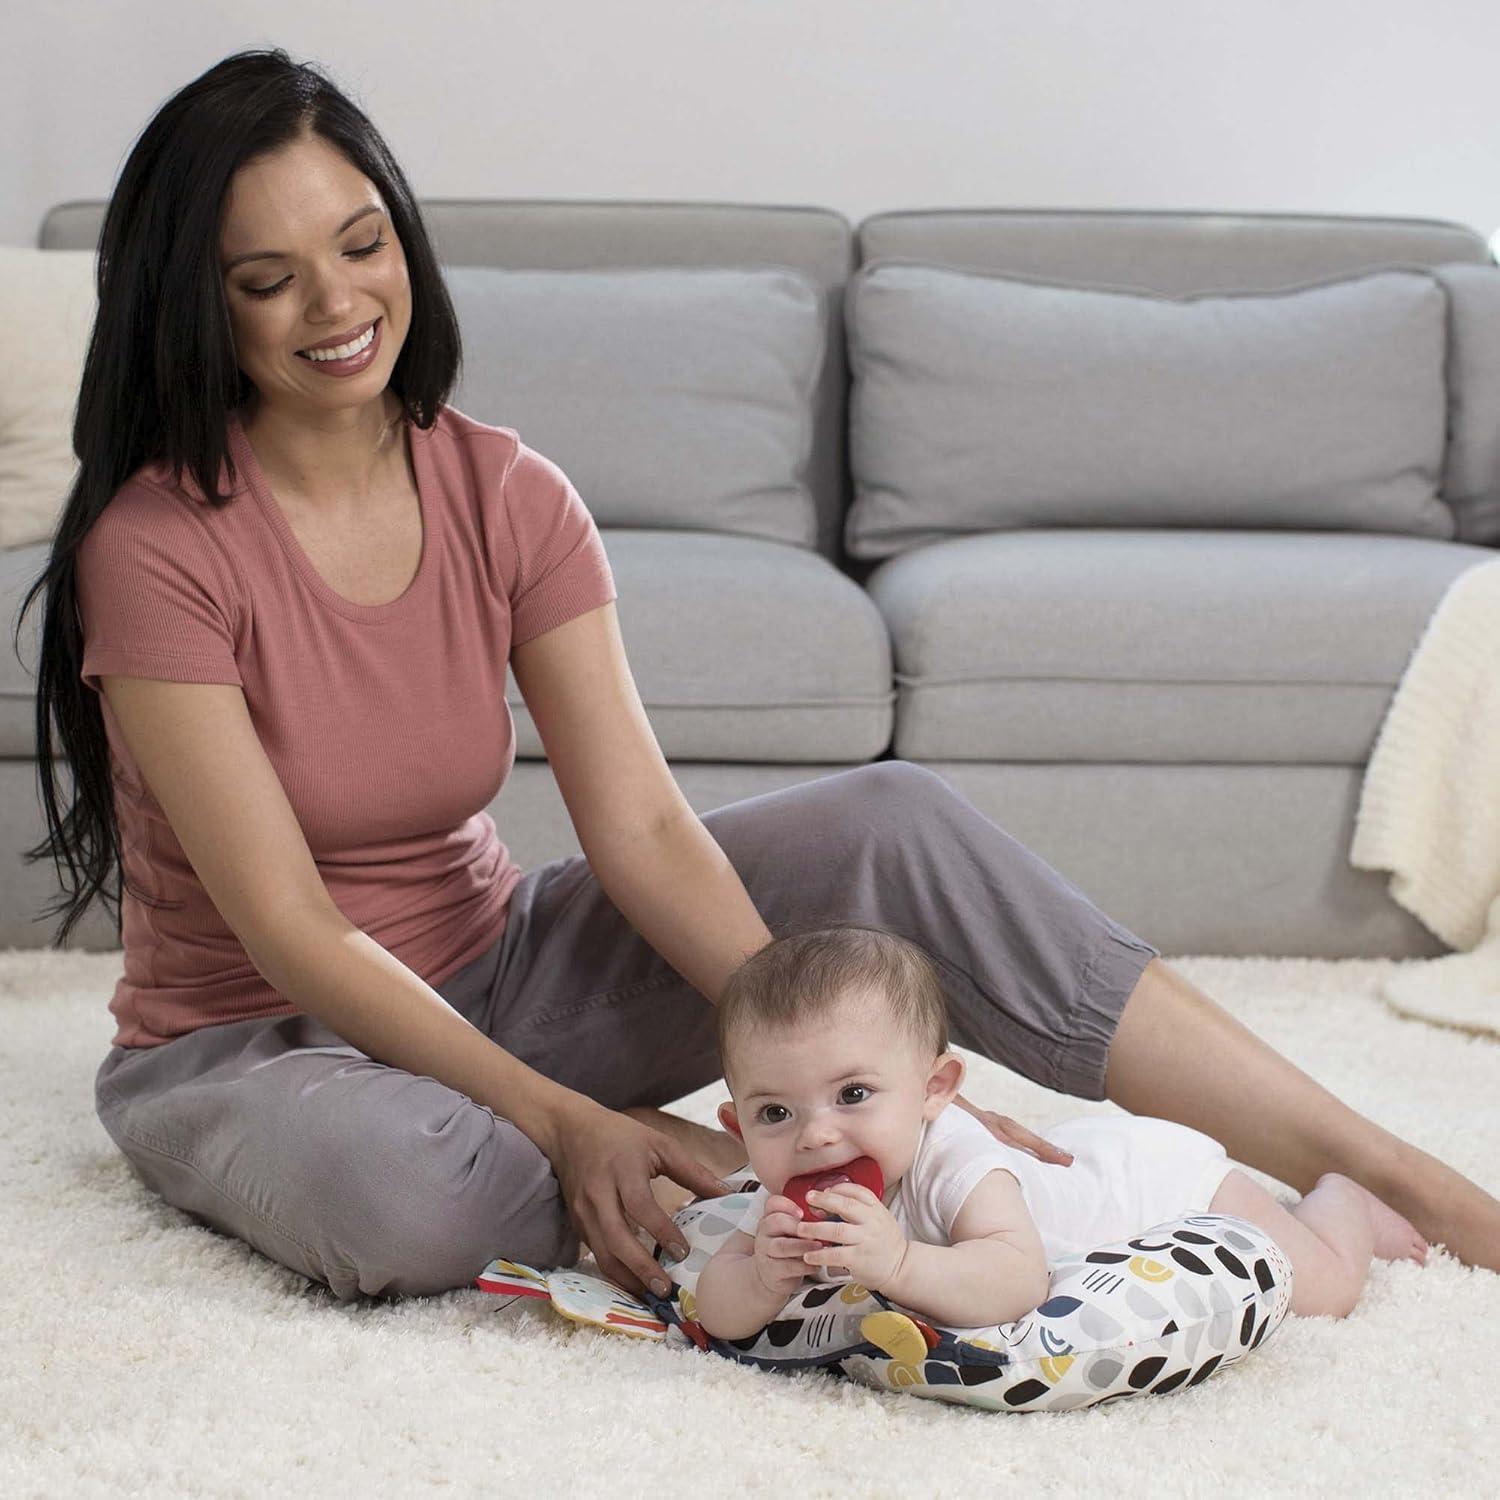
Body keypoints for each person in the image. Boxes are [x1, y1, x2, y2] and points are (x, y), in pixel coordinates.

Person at [14, 49, 1499, 1310]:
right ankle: (701, 1175)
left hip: (508, 967)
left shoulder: (503, 488)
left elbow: (645, 833)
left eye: (361, 241)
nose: (337, 301)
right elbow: (288, 925)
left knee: (891, 824)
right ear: (195, 307)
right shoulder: (156, 545)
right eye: (266, 280)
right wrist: (584, 1120)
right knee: (410, 1201)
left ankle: (1379, 1165)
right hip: (271, 1045)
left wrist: (786, 1058)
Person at [692, 926, 1428, 1341]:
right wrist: (761, 1276)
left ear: (935, 1092)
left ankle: (1344, 1202)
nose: (817, 1137)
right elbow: (719, 1311)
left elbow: (1018, 1280)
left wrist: (900, 1263)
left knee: (1324, 1289)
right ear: (737, 1125)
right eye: (775, 1114)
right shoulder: (786, 1194)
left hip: (1158, 1187)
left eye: (853, 1094)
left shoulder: (960, 1161)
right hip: (1085, 1165)